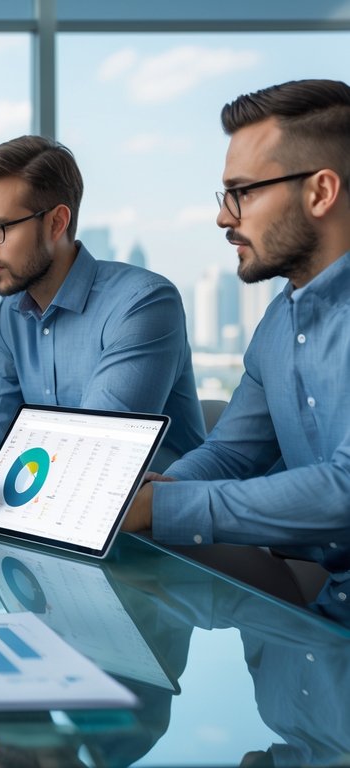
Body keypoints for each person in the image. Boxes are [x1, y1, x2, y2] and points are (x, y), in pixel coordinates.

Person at [123, 79, 350, 605]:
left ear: (320, 191)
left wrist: (161, 509)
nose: (224, 216)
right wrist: (159, 489)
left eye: (243, 192)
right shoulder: (278, 322)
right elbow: (230, 452)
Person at [0, 135, 206, 515]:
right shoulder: (13, 312)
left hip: (152, 537)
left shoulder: (142, 303)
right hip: (49, 522)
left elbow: (94, 452)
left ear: (56, 222)